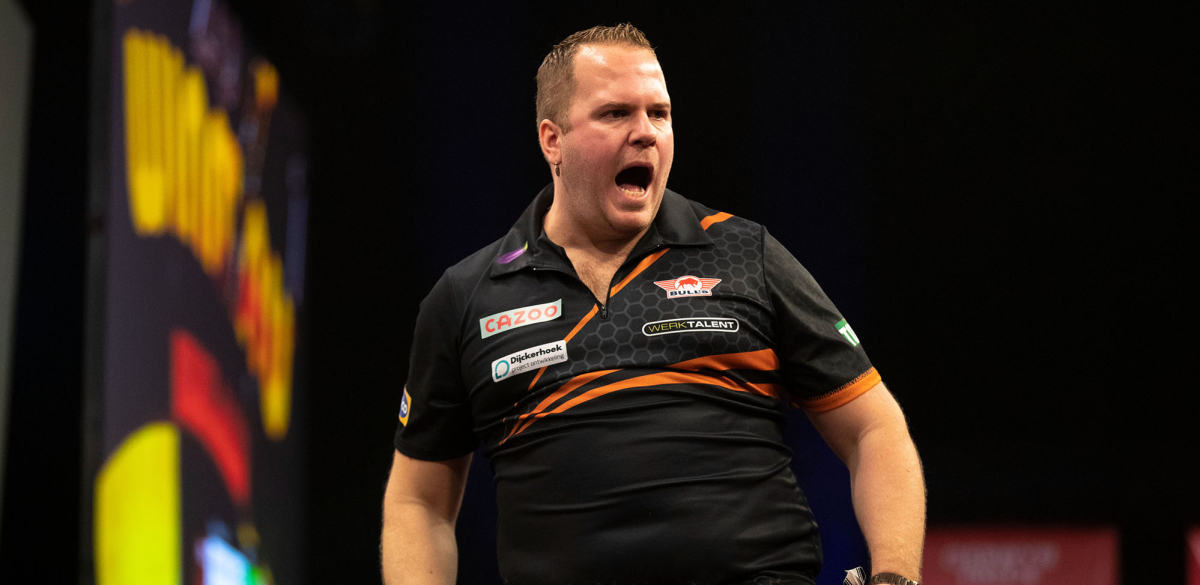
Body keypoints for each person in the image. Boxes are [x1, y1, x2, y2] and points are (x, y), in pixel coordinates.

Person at [381, 23, 925, 585]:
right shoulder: (467, 296)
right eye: (616, 113)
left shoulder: (747, 254)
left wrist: (895, 577)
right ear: (552, 140)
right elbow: (418, 502)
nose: (645, 133)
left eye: (659, 113)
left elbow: (874, 428)